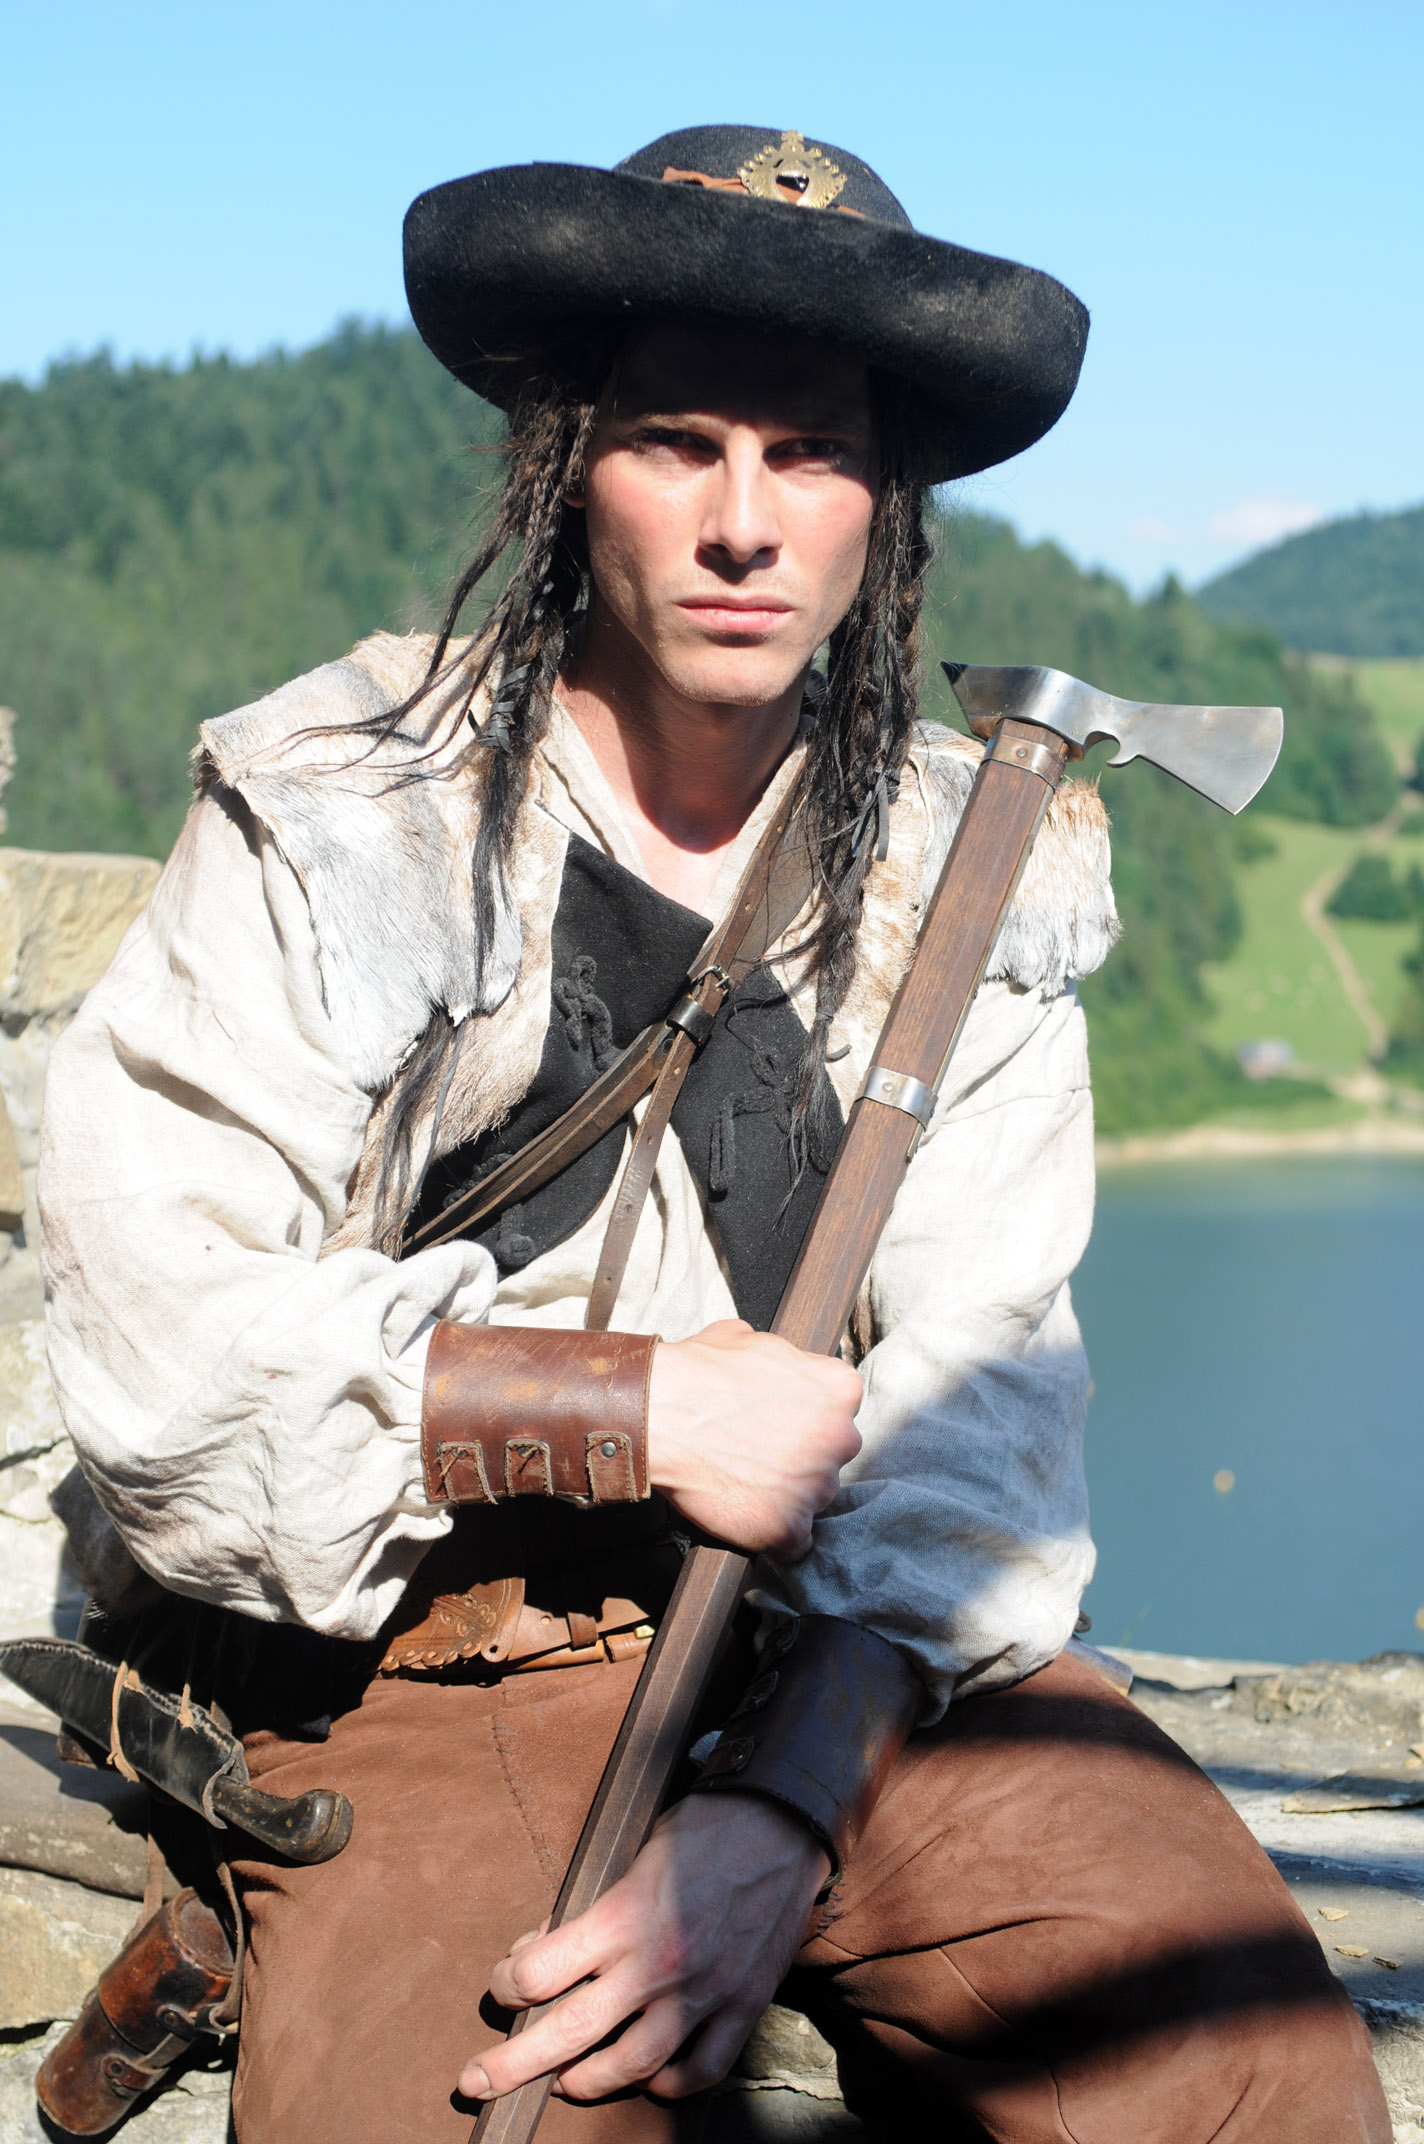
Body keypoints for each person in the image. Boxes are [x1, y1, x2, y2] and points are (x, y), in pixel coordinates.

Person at [38, 126, 1389, 2143]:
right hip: (406, 1679)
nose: (745, 524)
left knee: (1238, 2072)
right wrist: (645, 1406)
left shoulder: (969, 863)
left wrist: (783, 1805)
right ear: (569, 466)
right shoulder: (348, 816)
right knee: (492, 2114)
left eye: (811, 456)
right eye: (678, 442)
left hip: (835, 1666)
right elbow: (161, 1347)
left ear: (881, 511)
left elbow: (980, 1396)